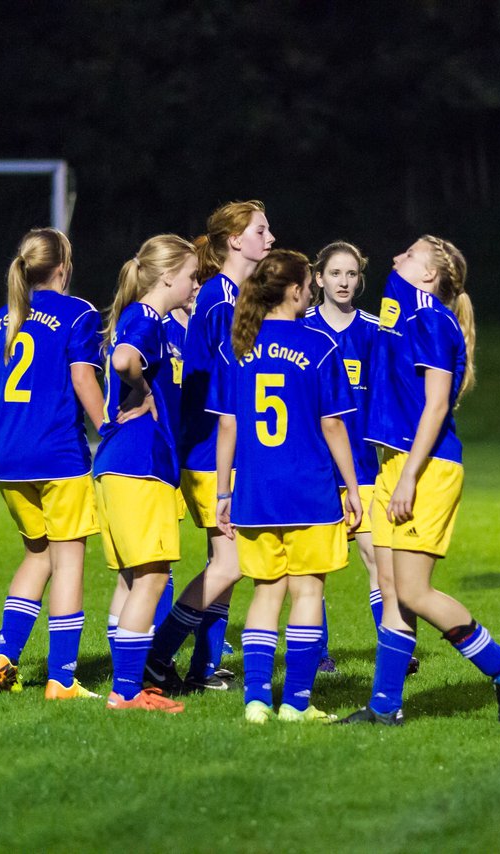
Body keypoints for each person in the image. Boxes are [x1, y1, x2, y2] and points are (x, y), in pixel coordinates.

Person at [339, 236, 500, 726]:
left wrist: (409, 480)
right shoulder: (404, 307)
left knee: (415, 593)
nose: (397, 255)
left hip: (426, 467)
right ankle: (384, 707)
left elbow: (437, 404)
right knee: (390, 590)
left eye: (410, 253)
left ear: (428, 276)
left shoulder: (430, 316)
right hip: (393, 464)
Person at [208, 249, 362, 723]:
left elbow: (228, 428)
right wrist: (353, 488)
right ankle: (296, 703)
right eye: (310, 285)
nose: (313, 291)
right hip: (310, 492)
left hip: (256, 494)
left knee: (266, 593)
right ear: (296, 290)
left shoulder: (238, 348)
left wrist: (222, 493)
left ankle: (256, 700)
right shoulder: (320, 346)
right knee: (308, 593)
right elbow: (334, 427)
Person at [0, 227, 103, 700]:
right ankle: (61, 678)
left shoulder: (3, 319)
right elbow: (83, 380)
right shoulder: (79, 313)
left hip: (11, 461)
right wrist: (112, 430)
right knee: (69, 562)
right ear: (62, 267)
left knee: (37, 556)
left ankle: (5, 654)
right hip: (60, 457)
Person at [146, 200, 275, 693]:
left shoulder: (232, 294)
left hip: (222, 450)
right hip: (212, 452)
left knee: (228, 566)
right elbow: (232, 390)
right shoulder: (223, 301)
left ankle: (197, 667)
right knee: (230, 564)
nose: (270, 237)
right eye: (261, 230)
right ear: (235, 240)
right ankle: (158, 658)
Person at [95, 234, 200, 713]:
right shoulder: (147, 316)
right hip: (141, 464)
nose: (196, 284)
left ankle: (125, 685)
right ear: (168, 277)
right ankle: (128, 691)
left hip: (120, 463)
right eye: (193, 276)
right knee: (153, 577)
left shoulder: (152, 319)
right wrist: (145, 390)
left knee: (132, 580)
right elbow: (123, 359)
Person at [301, 241, 381, 672]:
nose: (344, 282)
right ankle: (318, 655)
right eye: (335, 274)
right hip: (316, 466)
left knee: (376, 557)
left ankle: (391, 648)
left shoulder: (372, 331)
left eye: (351, 274)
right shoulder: (303, 328)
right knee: (317, 566)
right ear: (318, 279)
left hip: (363, 463)